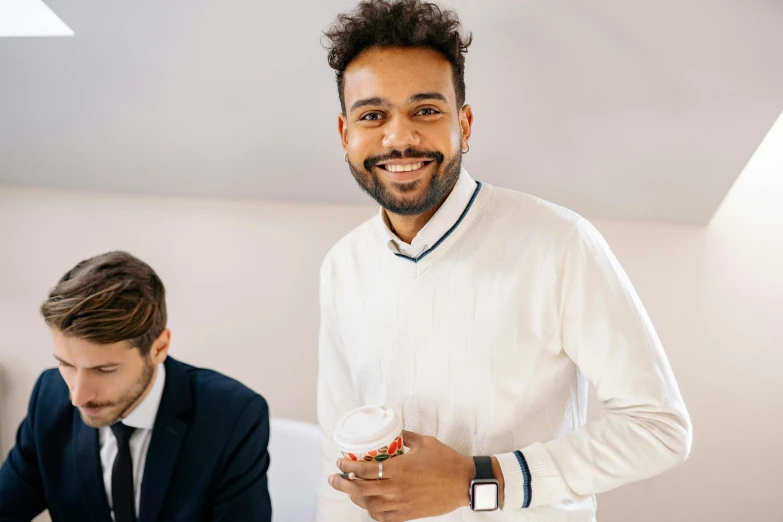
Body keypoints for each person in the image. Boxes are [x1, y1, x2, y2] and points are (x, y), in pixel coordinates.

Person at [317, 1, 692, 520]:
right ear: (345, 135)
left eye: (426, 110)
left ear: (464, 125)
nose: (399, 138)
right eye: (372, 115)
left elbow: (660, 429)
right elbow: (335, 459)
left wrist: (478, 480)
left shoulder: (560, 244)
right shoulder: (341, 266)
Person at [0, 251, 272, 522]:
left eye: (104, 370)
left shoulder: (233, 416)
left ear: (159, 348)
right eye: (67, 364)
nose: (78, 396)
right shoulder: (49, 397)